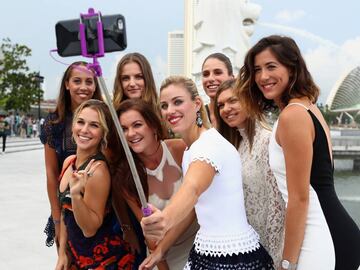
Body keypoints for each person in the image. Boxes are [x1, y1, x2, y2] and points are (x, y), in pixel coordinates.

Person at [236, 35, 360, 270]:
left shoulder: (293, 116)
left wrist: (287, 263)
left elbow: (299, 199)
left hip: (320, 239)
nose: (263, 77)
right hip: (333, 233)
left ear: (292, 68)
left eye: (271, 66)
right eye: (257, 70)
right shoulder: (309, 108)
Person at [141, 76, 274, 270]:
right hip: (206, 252)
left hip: (231, 257)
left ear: (196, 104)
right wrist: (161, 249)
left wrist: (164, 219)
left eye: (177, 102)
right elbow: (192, 207)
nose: (170, 111)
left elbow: (193, 188)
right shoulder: (190, 150)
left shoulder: (208, 145)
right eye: (164, 105)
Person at [116, 99, 198, 270]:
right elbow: (150, 235)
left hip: (198, 248)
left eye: (137, 125)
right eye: (124, 129)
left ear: (153, 125)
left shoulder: (180, 150)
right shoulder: (125, 176)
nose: (131, 133)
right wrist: (161, 263)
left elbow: (197, 204)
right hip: (163, 258)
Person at [55, 99, 135, 269]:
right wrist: (62, 253)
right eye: (80, 122)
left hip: (102, 261)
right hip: (77, 257)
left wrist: (76, 196)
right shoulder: (69, 162)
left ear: (103, 133)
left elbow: (90, 229)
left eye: (94, 125)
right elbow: (65, 213)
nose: (84, 130)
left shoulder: (97, 171)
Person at [213, 79, 285, 266]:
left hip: (267, 250)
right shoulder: (233, 146)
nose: (226, 109)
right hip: (243, 248)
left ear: (248, 99)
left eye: (232, 101)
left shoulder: (267, 142)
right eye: (220, 105)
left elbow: (277, 206)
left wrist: (274, 260)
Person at [40, 61, 103, 248]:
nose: (83, 87)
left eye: (89, 81)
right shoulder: (53, 123)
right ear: (67, 84)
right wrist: (57, 219)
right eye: (77, 81)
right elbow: (52, 174)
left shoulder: (106, 117)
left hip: (99, 210)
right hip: (66, 208)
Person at [201, 53, 234, 127]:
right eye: (206, 74)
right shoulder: (196, 117)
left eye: (218, 73)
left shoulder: (242, 113)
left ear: (231, 78)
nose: (210, 78)